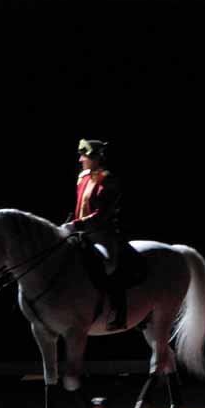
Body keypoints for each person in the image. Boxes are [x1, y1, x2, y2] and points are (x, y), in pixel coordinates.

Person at [63, 139, 127, 330]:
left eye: (85, 156)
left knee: (108, 265)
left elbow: (102, 215)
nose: (81, 159)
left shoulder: (108, 180)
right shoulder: (82, 177)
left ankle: (119, 311)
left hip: (102, 234)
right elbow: (79, 207)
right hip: (81, 232)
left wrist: (77, 224)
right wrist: (67, 223)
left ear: (96, 158)